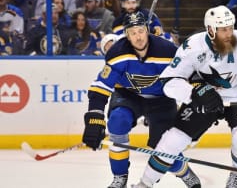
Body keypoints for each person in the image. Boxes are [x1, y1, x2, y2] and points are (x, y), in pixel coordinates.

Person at [132, 5, 237, 188]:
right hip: (206, 97)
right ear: (211, 30)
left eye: (230, 28)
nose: (229, 33)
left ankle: (236, 174)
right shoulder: (192, 47)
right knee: (172, 140)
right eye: (223, 30)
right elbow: (169, 81)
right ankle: (145, 184)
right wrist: (194, 93)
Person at [81, 11, 201, 188]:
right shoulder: (117, 53)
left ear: (147, 30)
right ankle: (119, 177)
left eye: (141, 31)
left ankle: (184, 171)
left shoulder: (167, 50)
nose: (138, 37)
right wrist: (94, 117)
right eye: (133, 33)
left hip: (161, 98)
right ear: (127, 35)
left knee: (164, 146)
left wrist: (200, 92)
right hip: (128, 95)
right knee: (117, 122)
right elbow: (100, 87)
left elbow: (189, 73)